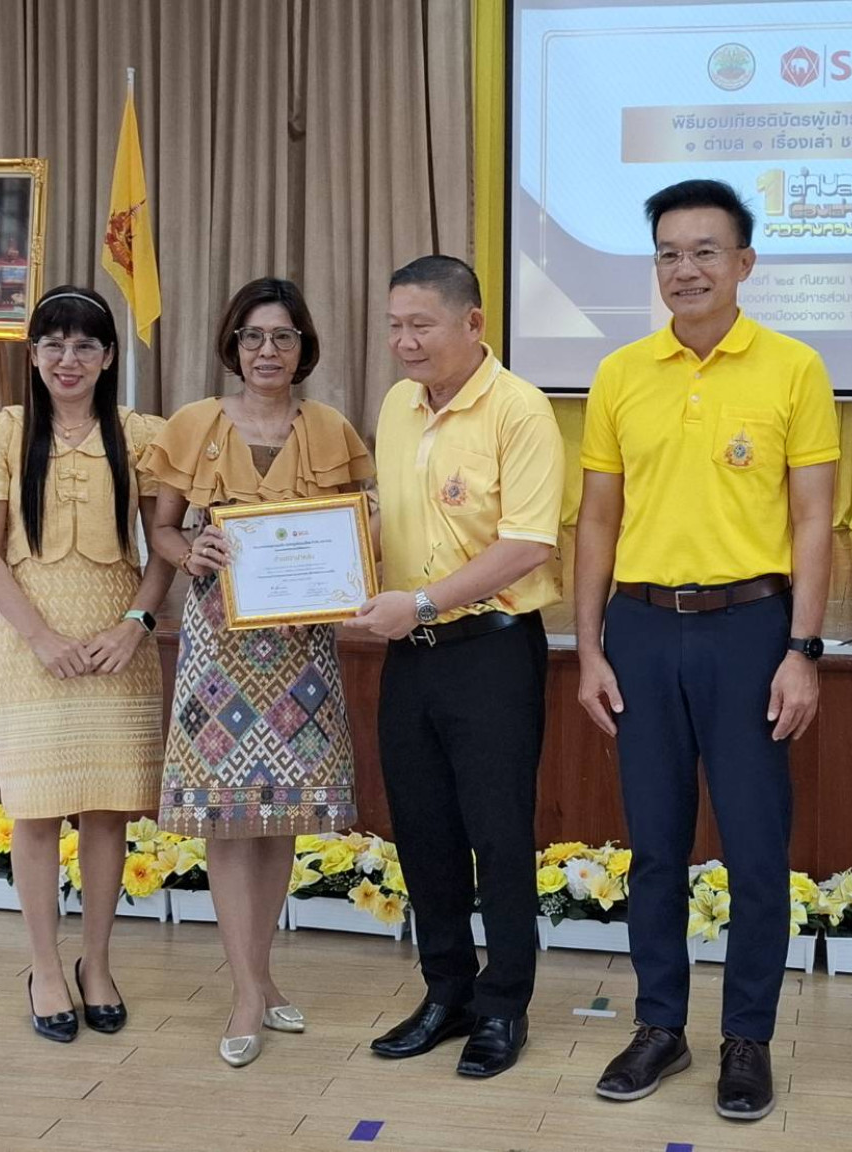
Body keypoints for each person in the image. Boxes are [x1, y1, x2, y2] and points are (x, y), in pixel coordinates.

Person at [574, 179, 838, 1121]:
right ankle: (660, 1026)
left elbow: (813, 520)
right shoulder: (620, 373)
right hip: (642, 631)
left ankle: (747, 1038)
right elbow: (596, 520)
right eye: (669, 254)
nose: (685, 270)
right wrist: (590, 647)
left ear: (744, 262)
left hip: (750, 630)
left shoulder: (794, 369)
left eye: (704, 252)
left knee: (756, 848)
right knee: (654, 846)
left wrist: (803, 649)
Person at [142, 277, 374, 1068]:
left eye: (282, 336)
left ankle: (262, 974)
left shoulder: (333, 429)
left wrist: (349, 565)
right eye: (252, 336)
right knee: (227, 819)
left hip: (303, 650)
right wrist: (188, 550)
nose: (266, 351)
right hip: (219, 649)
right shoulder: (194, 424)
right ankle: (246, 993)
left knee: (279, 819)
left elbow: (354, 533)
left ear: (304, 346)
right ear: (232, 345)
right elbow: (162, 528)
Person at [343, 254, 563, 1080]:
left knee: (498, 836)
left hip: (491, 652)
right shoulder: (397, 406)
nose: (404, 342)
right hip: (412, 655)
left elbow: (528, 543)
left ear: (473, 323)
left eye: (420, 325)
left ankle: (504, 1006)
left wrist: (424, 603)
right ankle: (447, 992)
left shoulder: (520, 409)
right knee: (424, 830)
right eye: (394, 326)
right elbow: (393, 521)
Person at [0, 285, 174, 1043]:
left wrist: (135, 625)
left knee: (108, 812)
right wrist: (41, 638)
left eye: (85, 345)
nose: (68, 359)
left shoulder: (144, 435)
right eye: (53, 344)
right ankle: (45, 968)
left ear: (109, 356)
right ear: (34, 354)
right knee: (36, 812)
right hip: (31, 649)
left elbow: (165, 546)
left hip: (120, 647)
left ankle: (98, 963)